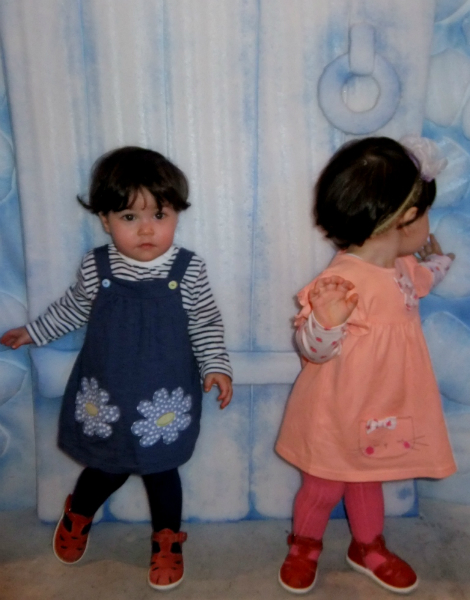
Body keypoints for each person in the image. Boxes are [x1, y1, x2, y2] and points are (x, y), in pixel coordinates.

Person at [1, 146, 233, 591]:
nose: (146, 228)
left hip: (162, 402)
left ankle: (167, 538)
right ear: (105, 221)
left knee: (162, 471)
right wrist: (33, 332)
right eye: (129, 217)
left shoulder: (188, 270)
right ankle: (78, 513)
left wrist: (216, 366)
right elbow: (71, 309)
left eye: (159, 215)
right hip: (108, 393)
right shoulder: (97, 267)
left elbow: (206, 323)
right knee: (106, 467)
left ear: (176, 215)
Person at [275, 136, 456, 595]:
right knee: (323, 486)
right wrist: (326, 322)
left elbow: (424, 279)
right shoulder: (341, 281)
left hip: (381, 408)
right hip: (336, 410)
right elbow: (311, 350)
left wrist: (439, 260)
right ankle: (304, 546)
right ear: (407, 217)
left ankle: (368, 546)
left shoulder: (401, 268)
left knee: (366, 479)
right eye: (426, 213)